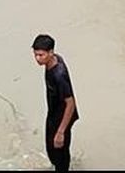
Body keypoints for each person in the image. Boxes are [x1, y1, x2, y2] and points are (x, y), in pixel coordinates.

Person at [32, 34, 78, 172]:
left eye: (41, 55)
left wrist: (61, 132)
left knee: (59, 156)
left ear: (51, 52)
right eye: (35, 55)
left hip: (62, 116)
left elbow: (71, 103)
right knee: (52, 150)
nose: (37, 59)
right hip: (53, 113)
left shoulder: (59, 75)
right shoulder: (52, 61)